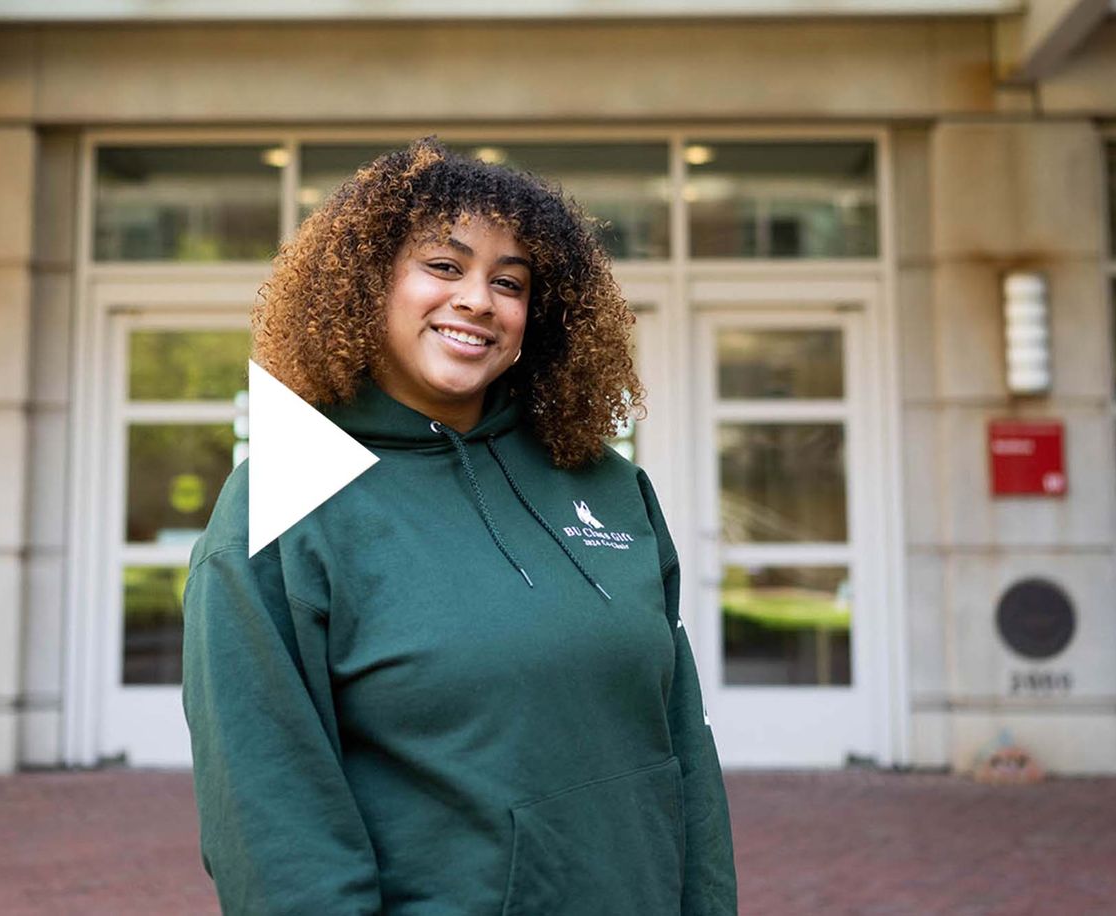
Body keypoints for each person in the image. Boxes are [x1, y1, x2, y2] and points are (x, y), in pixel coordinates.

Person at [181, 138, 737, 915]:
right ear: (364, 285)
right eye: (444, 266)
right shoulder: (285, 496)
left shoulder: (606, 485)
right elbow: (270, 815)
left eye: (509, 282)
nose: (478, 299)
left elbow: (684, 748)